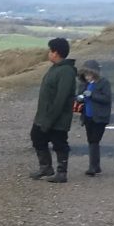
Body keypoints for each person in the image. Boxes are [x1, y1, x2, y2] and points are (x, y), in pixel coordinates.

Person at [29, 37, 77, 182]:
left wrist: (50, 119)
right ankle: (46, 168)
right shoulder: (55, 68)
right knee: (37, 137)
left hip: (58, 118)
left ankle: (62, 173)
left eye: (50, 50)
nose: (48, 53)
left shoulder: (66, 72)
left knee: (60, 143)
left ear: (56, 52)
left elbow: (61, 98)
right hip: (43, 115)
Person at [75, 64, 113, 177]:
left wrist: (92, 95)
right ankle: (95, 166)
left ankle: (93, 167)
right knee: (92, 141)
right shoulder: (84, 84)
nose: (87, 77)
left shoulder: (104, 83)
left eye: (89, 74)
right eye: (85, 74)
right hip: (88, 116)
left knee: (94, 140)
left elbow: (106, 99)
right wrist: (79, 98)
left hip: (100, 117)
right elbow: (79, 96)